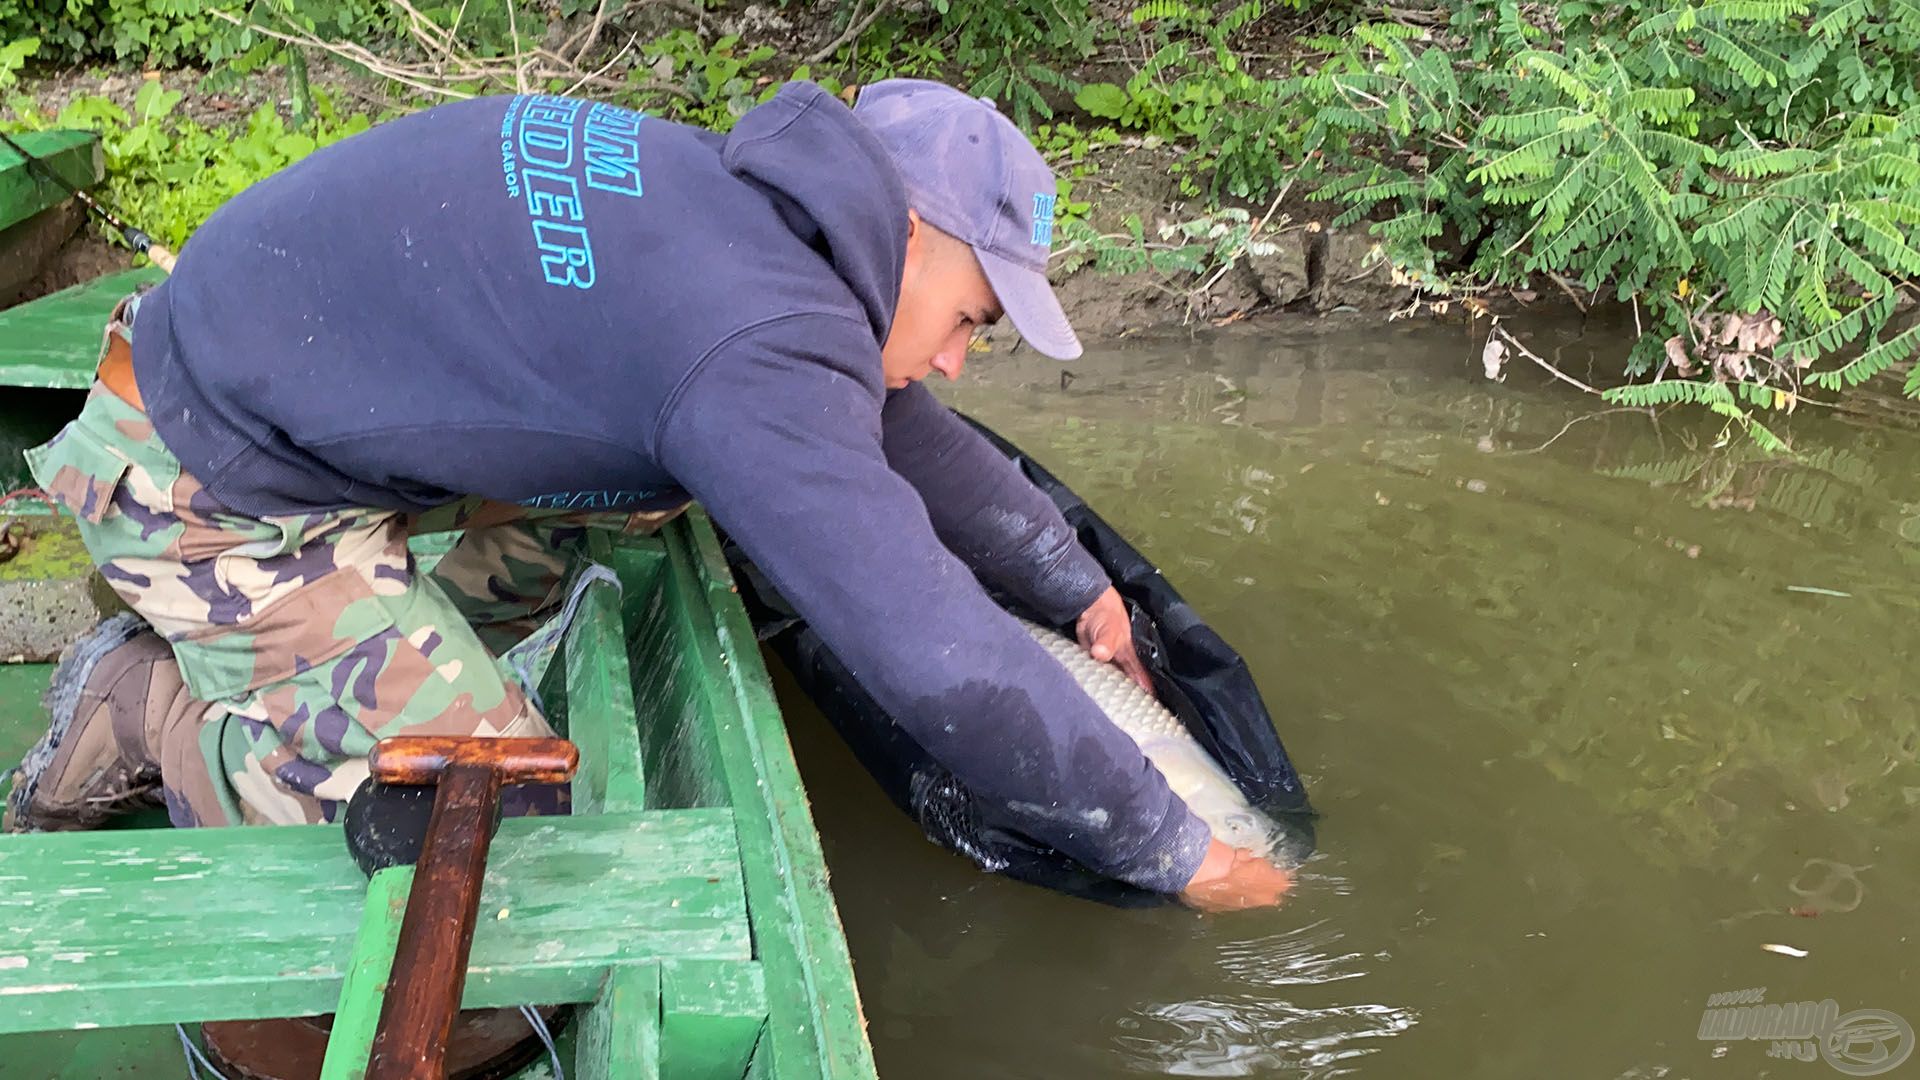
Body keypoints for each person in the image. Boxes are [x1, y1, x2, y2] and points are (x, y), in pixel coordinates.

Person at [4, 77, 1291, 912]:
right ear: (905, 237)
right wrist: (1176, 853)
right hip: (203, 479)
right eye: (970, 313)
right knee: (483, 827)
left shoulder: (741, 213)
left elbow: (913, 438)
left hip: (258, 378)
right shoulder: (751, 344)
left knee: (655, 488)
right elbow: (935, 661)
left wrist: (1080, 592)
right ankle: (153, 708)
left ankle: (394, 642)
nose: (961, 355)